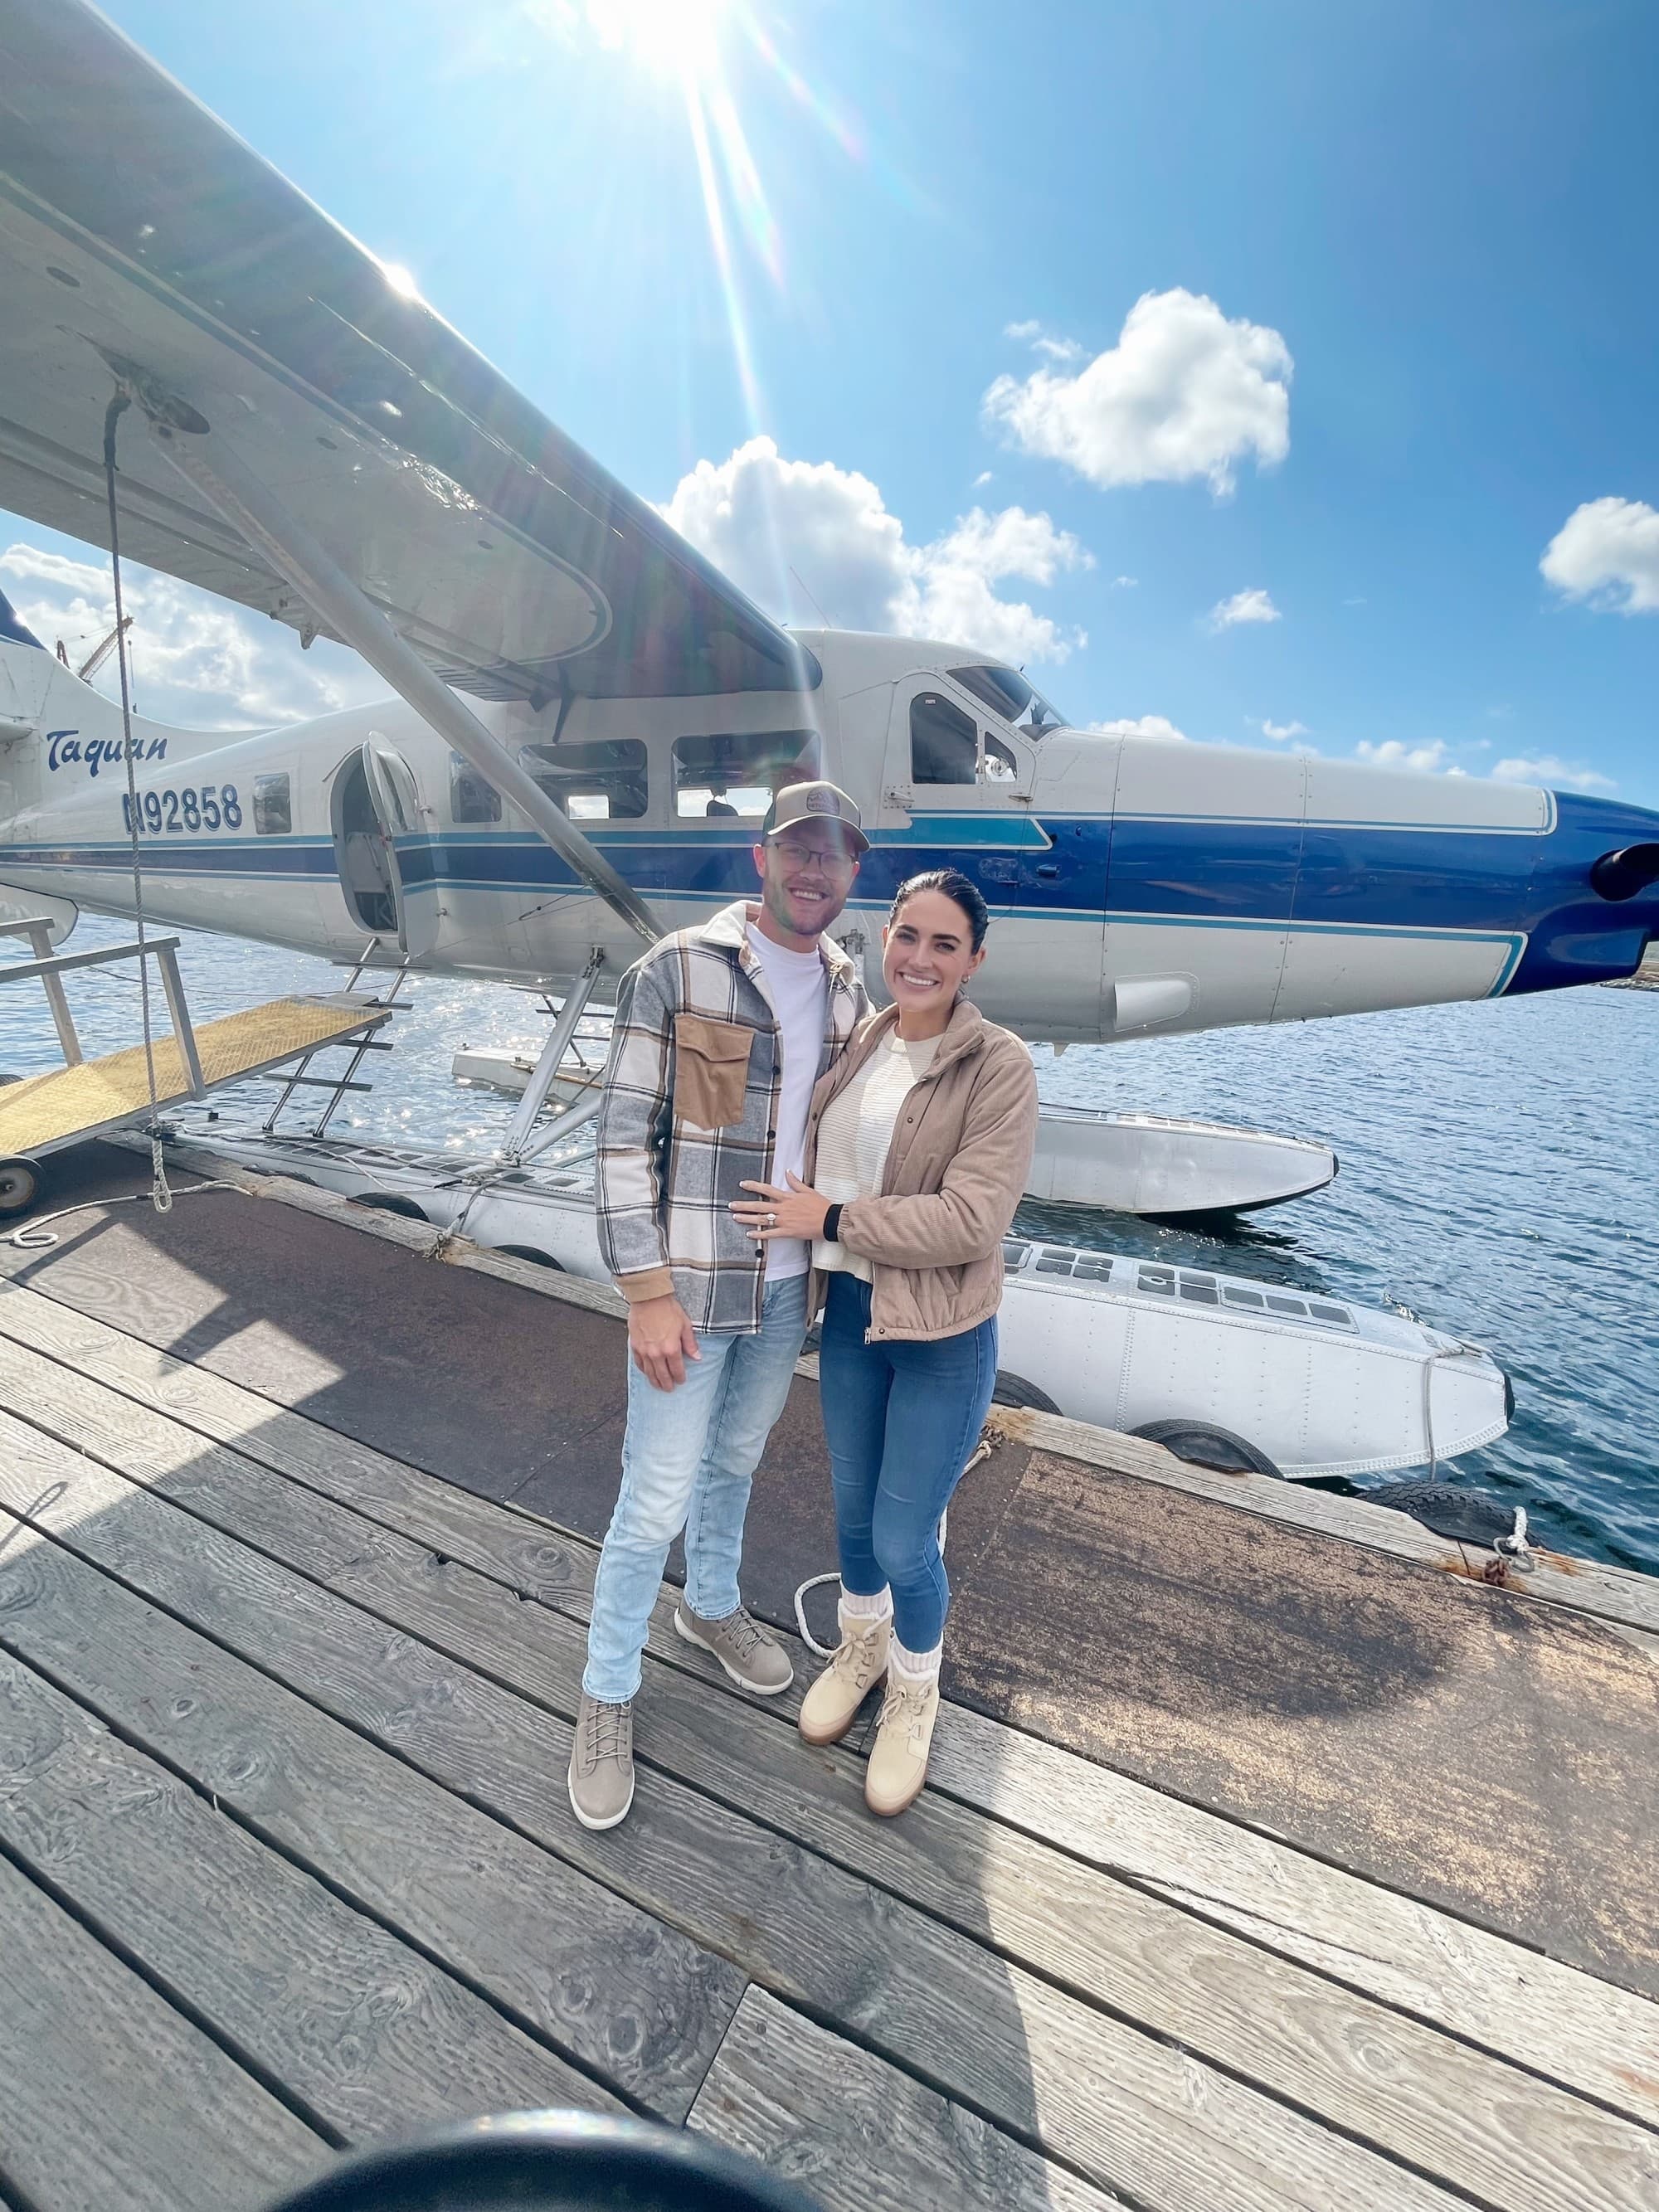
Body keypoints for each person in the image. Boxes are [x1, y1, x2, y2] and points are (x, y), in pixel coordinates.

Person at [570, 780, 870, 1830]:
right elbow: (620, 1142)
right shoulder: (678, 968)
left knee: (734, 1461)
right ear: (762, 857)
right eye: (798, 848)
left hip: (787, 1293)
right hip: (690, 1291)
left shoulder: (848, 990)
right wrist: (644, 1293)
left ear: (851, 872)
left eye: (833, 854)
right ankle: (606, 1689)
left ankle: (708, 1606)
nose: (813, 870)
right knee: (653, 1497)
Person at [732, 868, 1039, 1816]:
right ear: (886, 940)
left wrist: (830, 1220)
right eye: (908, 936)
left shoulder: (998, 1065)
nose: (920, 958)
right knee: (855, 1518)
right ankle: (860, 1646)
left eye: (945, 944)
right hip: (855, 1319)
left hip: (941, 1333)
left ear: (973, 960)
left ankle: (914, 1687)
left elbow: (972, 1220)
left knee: (908, 1539)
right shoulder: (865, 1037)